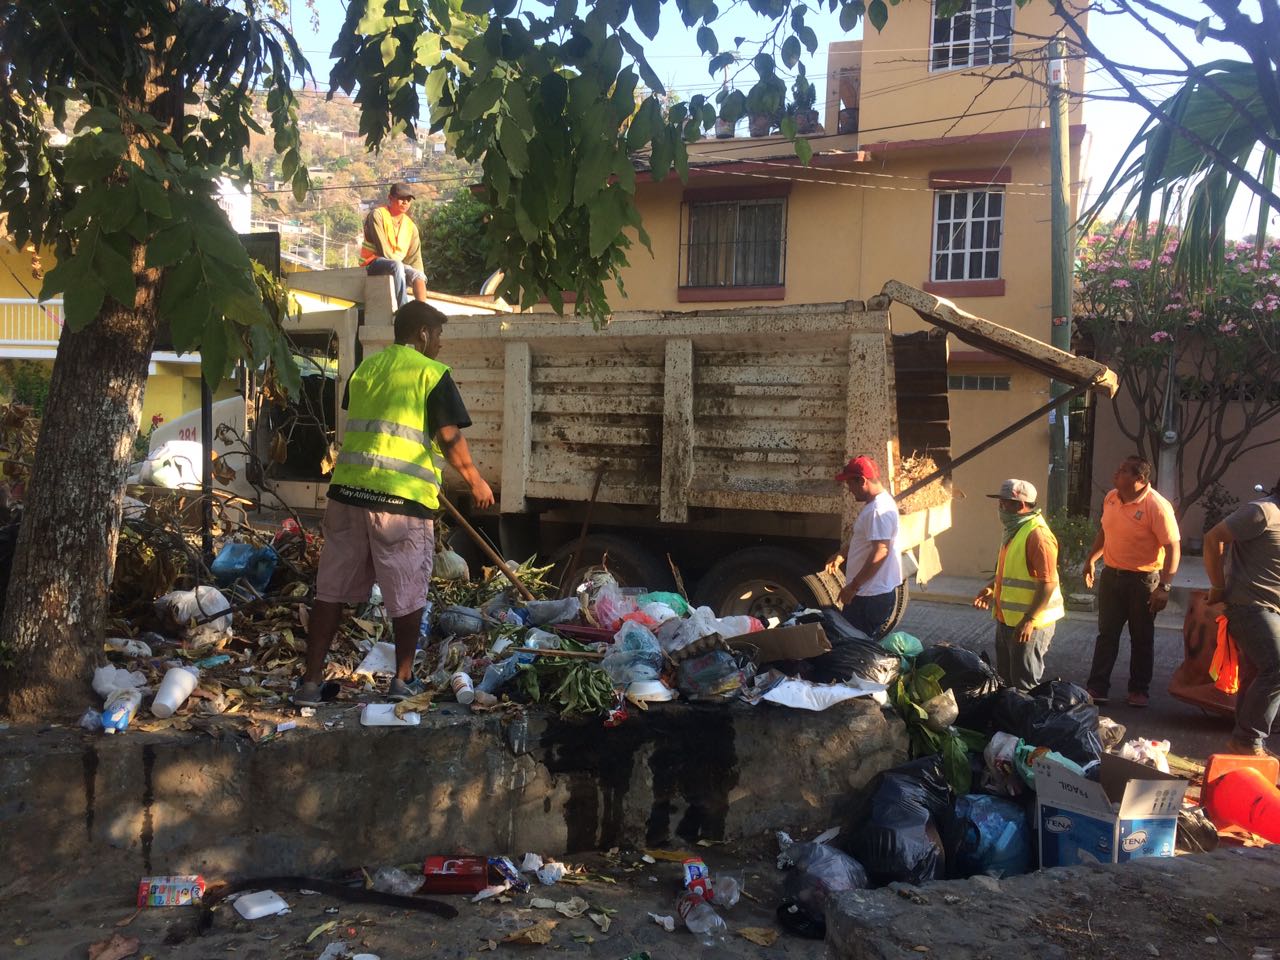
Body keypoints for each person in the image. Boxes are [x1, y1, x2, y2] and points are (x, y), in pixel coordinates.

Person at [295, 301, 494, 705]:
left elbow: (376, 427)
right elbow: (449, 436)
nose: (439, 344)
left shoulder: (366, 369)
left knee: (329, 592)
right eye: (437, 335)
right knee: (408, 594)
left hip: (348, 495)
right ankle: (402, 682)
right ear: (422, 333)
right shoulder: (431, 374)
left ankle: (310, 684)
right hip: (400, 504)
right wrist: (475, 481)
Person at [1082, 456, 1181, 708]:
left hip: (1143, 581)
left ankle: (1139, 690)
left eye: (1124, 470)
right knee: (1107, 635)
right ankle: (1097, 687)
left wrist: (1164, 587)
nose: (1117, 472)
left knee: (1141, 637)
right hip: (1112, 576)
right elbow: (1105, 531)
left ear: (1140, 479)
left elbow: (1172, 547)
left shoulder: (1156, 506)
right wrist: (1092, 559)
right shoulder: (1112, 498)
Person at [1204, 479, 1280, 757]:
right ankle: (1248, 740)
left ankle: (1243, 745)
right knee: (1276, 668)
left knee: (1257, 673)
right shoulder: (1263, 512)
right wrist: (1217, 586)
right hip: (1249, 607)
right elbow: (1214, 538)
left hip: (1272, 609)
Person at [972, 479, 1063, 691]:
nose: (1000, 509)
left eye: (1004, 504)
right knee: (1006, 682)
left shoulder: (1038, 536)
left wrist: (1029, 620)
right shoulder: (1015, 531)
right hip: (1008, 621)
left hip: (1030, 625)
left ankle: (1025, 723)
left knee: (1024, 686)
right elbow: (1010, 574)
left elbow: (1048, 584)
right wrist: (992, 589)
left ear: (1020, 505)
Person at [826, 454, 903, 638]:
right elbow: (867, 542)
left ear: (862, 481)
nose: (849, 489)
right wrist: (842, 554)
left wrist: (853, 587)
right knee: (857, 647)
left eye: (850, 484)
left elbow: (881, 551)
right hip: (871, 594)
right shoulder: (880, 503)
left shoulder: (878, 510)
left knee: (852, 647)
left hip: (869, 597)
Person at [361, 181, 428, 307]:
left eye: (408, 199)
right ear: (390, 198)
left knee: (418, 275)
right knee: (397, 266)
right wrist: (401, 267)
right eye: (401, 198)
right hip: (373, 263)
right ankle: (403, 308)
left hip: (397, 266)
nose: (405, 202)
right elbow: (383, 250)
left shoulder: (411, 227)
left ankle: (422, 311)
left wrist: (417, 275)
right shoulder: (378, 215)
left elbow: (415, 259)